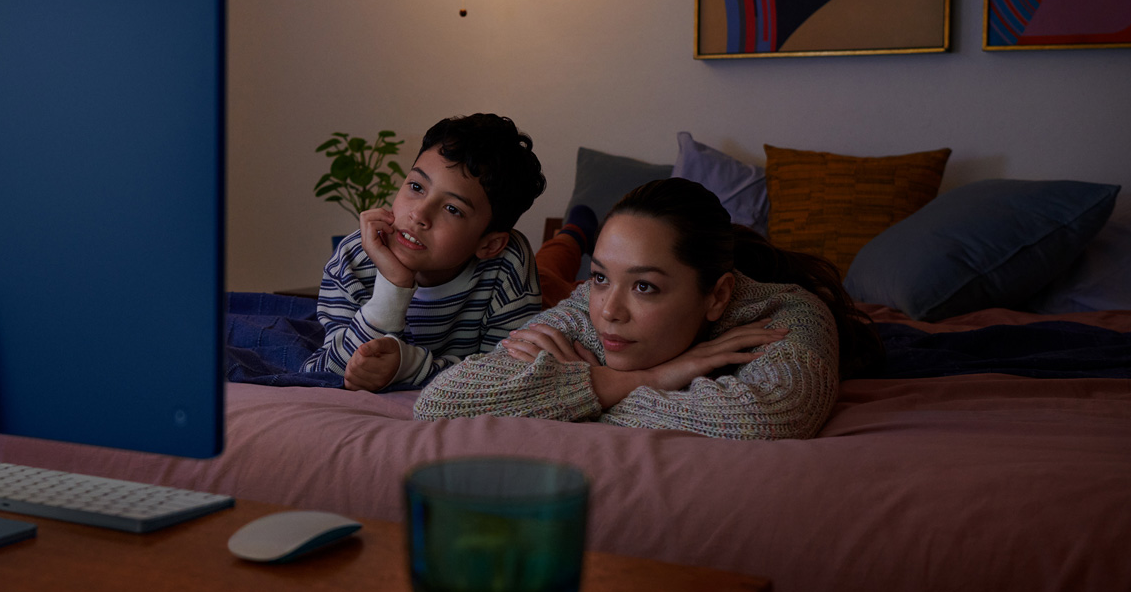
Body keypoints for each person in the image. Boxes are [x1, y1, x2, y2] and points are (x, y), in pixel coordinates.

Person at [414, 177, 883, 439]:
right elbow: (442, 401)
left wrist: (572, 395)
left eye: (644, 287)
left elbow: (771, 416)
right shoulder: (589, 307)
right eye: (600, 276)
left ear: (717, 295)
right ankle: (575, 234)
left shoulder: (786, 314)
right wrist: (649, 377)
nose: (610, 312)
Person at [303, 113, 547, 391]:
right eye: (416, 187)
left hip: (533, 286)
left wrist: (408, 366)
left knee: (555, 270)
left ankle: (573, 233)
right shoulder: (353, 259)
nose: (419, 214)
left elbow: (511, 374)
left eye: (452, 209)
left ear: (489, 245)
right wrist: (393, 287)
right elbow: (326, 372)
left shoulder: (507, 263)